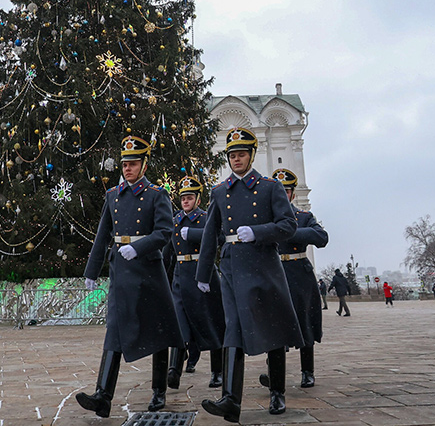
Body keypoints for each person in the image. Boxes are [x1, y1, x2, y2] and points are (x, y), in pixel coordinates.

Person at [196, 127, 303, 421]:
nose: (236, 159)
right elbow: (210, 236)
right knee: (233, 329)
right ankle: (231, 399)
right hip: (232, 268)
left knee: (273, 329)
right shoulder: (219, 191)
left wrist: (257, 232)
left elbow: (288, 226)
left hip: (263, 266)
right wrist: (203, 274)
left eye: (241, 154)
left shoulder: (270, 188)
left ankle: (277, 393)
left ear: (251, 155)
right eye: (232, 155)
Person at [76, 135, 182, 418]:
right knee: (116, 330)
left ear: (144, 165)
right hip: (121, 272)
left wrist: (138, 247)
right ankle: (103, 396)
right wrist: (91, 271)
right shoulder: (113, 195)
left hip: (148, 270)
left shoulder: (156, 195)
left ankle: (158, 391)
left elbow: (164, 232)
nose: (128, 168)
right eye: (125, 164)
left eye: (133, 164)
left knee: (158, 331)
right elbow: (102, 235)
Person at [261, 168, 328, 389]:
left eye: (286, 191)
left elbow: (320, 237)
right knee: (274, 326)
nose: (283, 195)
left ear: (292, 194)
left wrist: (288, 232)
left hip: (300, 273)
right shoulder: (265, 219)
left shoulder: (303, 217)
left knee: (305, 321)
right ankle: (274, 373)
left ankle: (307, 371)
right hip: (275, 272)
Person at [163, 175, 225, 390]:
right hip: (180, 277)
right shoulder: (175, 220)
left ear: (198, 199)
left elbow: (221, 237)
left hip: (203, 275)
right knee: (179, 325)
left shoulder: (207, 218)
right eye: (183, 198)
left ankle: (217, 372)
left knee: (212, 324)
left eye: (190, 198)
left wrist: (196, 234)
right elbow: (168, 252)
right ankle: (173, 371)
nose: (186, 202)